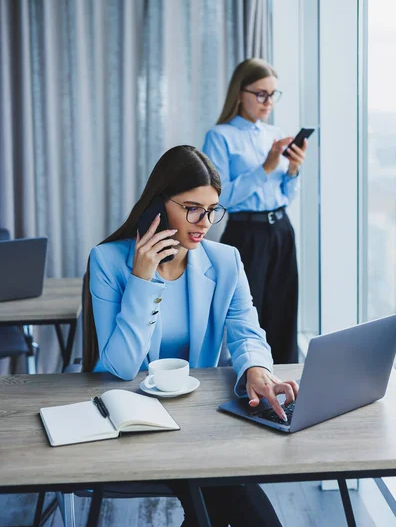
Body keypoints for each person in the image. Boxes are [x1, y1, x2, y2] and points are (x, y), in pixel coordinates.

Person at [83, 145, 298, 527]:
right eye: (192, 208)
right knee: (231, 497)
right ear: (158, 205)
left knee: (217, 500)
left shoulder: (225, 260)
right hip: (134, 421)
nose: (204, 222)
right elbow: (120, 366)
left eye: (212, 209)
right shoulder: (107, 261)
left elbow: (246, 329)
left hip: (198, 419)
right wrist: (141, 279)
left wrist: (257, 369)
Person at [203, 59, 307, 364]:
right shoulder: (219, 136)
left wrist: (293, 171)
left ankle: (286, 388)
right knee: (248, 313)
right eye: (261, 94)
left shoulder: (273, 134)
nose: (268, 102)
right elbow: (220, 199)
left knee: (284, 310)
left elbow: (285, 196)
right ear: (240, 93)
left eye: (273, 94)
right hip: (246, 233)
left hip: (281, 229)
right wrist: (265, 168)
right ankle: (247, 380)